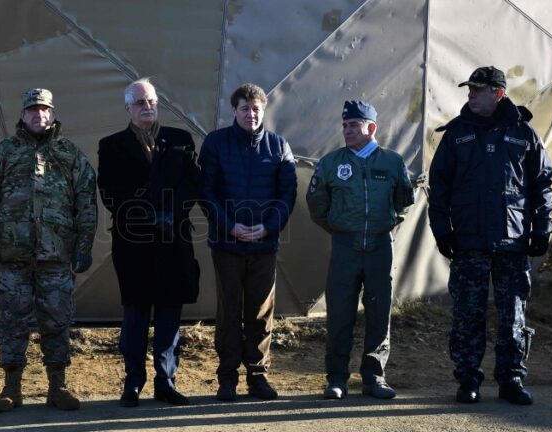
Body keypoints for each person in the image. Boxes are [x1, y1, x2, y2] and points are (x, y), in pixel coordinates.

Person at [428, 66, 552, 405]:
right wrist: (442, 231)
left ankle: (511, 379)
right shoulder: (456, 135)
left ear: (498, 93)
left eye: (478, 89)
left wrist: (542, 230)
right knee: (468, 315)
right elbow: (438, 187)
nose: (470, 94)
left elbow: (543, 185)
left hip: (512, 242)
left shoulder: (523, 134)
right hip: (469, 242)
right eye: (469, 89)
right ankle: (468, 380)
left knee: (513, 314)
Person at [0, 88, 97, 412]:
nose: (38, 115)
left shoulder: (69, 154)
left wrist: (83, 247)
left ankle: (58, 387)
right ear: (23, 115)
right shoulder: (4, 152)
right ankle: (11, 389)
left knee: (57, 322)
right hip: (13, 258)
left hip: (56, 257)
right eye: (32, 110)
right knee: (12, 322)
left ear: (53, 114)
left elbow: (86, 202)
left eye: (44, 110)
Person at [98, 78, 201, 407]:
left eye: (152, 101)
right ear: (127, 107)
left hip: (174, 241)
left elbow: (191, 183)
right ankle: (133, 381)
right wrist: (147, 217)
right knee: (136, 313)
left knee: (170, 313)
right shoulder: (112, 145)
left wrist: (170, 214)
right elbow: (110, 191)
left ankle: (165, 381)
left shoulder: (181, 140)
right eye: (140, 102)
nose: (147, 107)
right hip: (133, 243)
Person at [305, 100, 415, 400]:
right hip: (345, 247)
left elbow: (404, 202)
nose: (347, 130)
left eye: (354, 125)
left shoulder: (392, 162)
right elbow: (316, 205)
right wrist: (339, 228)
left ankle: (374, 378)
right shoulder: (331, 163)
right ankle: (336, 379)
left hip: (380, 247)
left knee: (379, 314)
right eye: (344, 125)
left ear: (371, 128)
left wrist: (386, 224)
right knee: (340, 315)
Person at [198, 83, 297, 401]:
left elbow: (287, 194)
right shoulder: (215, 144)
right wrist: (231, 227)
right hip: (227, 245)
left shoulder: (279, 146)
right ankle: (227, 378)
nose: (251, 114)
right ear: (234, 111)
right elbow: (206, 192)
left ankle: (258, 377)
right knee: (229, 312)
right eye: (245, 108)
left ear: (263, 111)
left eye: (256, 109)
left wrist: (268, 228)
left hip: (264, 246)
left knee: (260, 313)